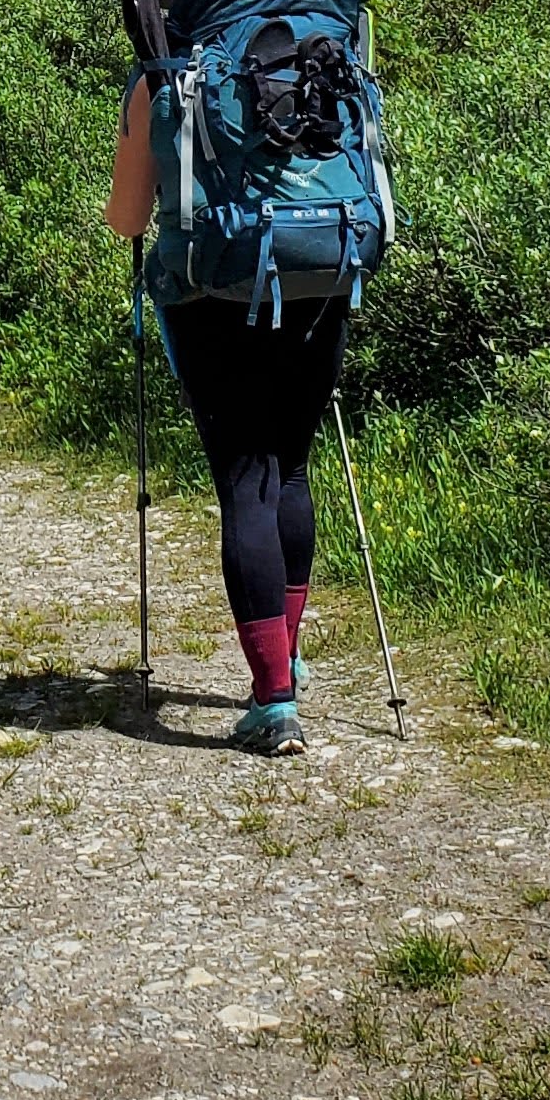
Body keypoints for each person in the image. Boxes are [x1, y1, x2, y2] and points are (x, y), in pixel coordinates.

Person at [106, 78, 350, 754]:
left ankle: (275, 704)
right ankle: (286, 659)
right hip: (319, 267)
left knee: (247, 480)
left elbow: (127, 219)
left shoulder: (163, 72)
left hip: (211, 290)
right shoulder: (312, 42)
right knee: (291, 469)